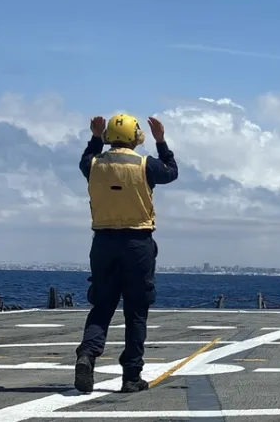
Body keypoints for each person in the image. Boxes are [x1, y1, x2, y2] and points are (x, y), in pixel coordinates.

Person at [73, 113, 178, 393]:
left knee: (102, 305)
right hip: (137, 243)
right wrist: (161, 141)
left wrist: (95, 137)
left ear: (109, 136)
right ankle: (131, 376)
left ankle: (87, 353)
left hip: (103, 242)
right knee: (136, 310)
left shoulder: (93, 165)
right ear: (135, 137)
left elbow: (86, 158)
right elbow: (171, 171)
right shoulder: (146, 164)